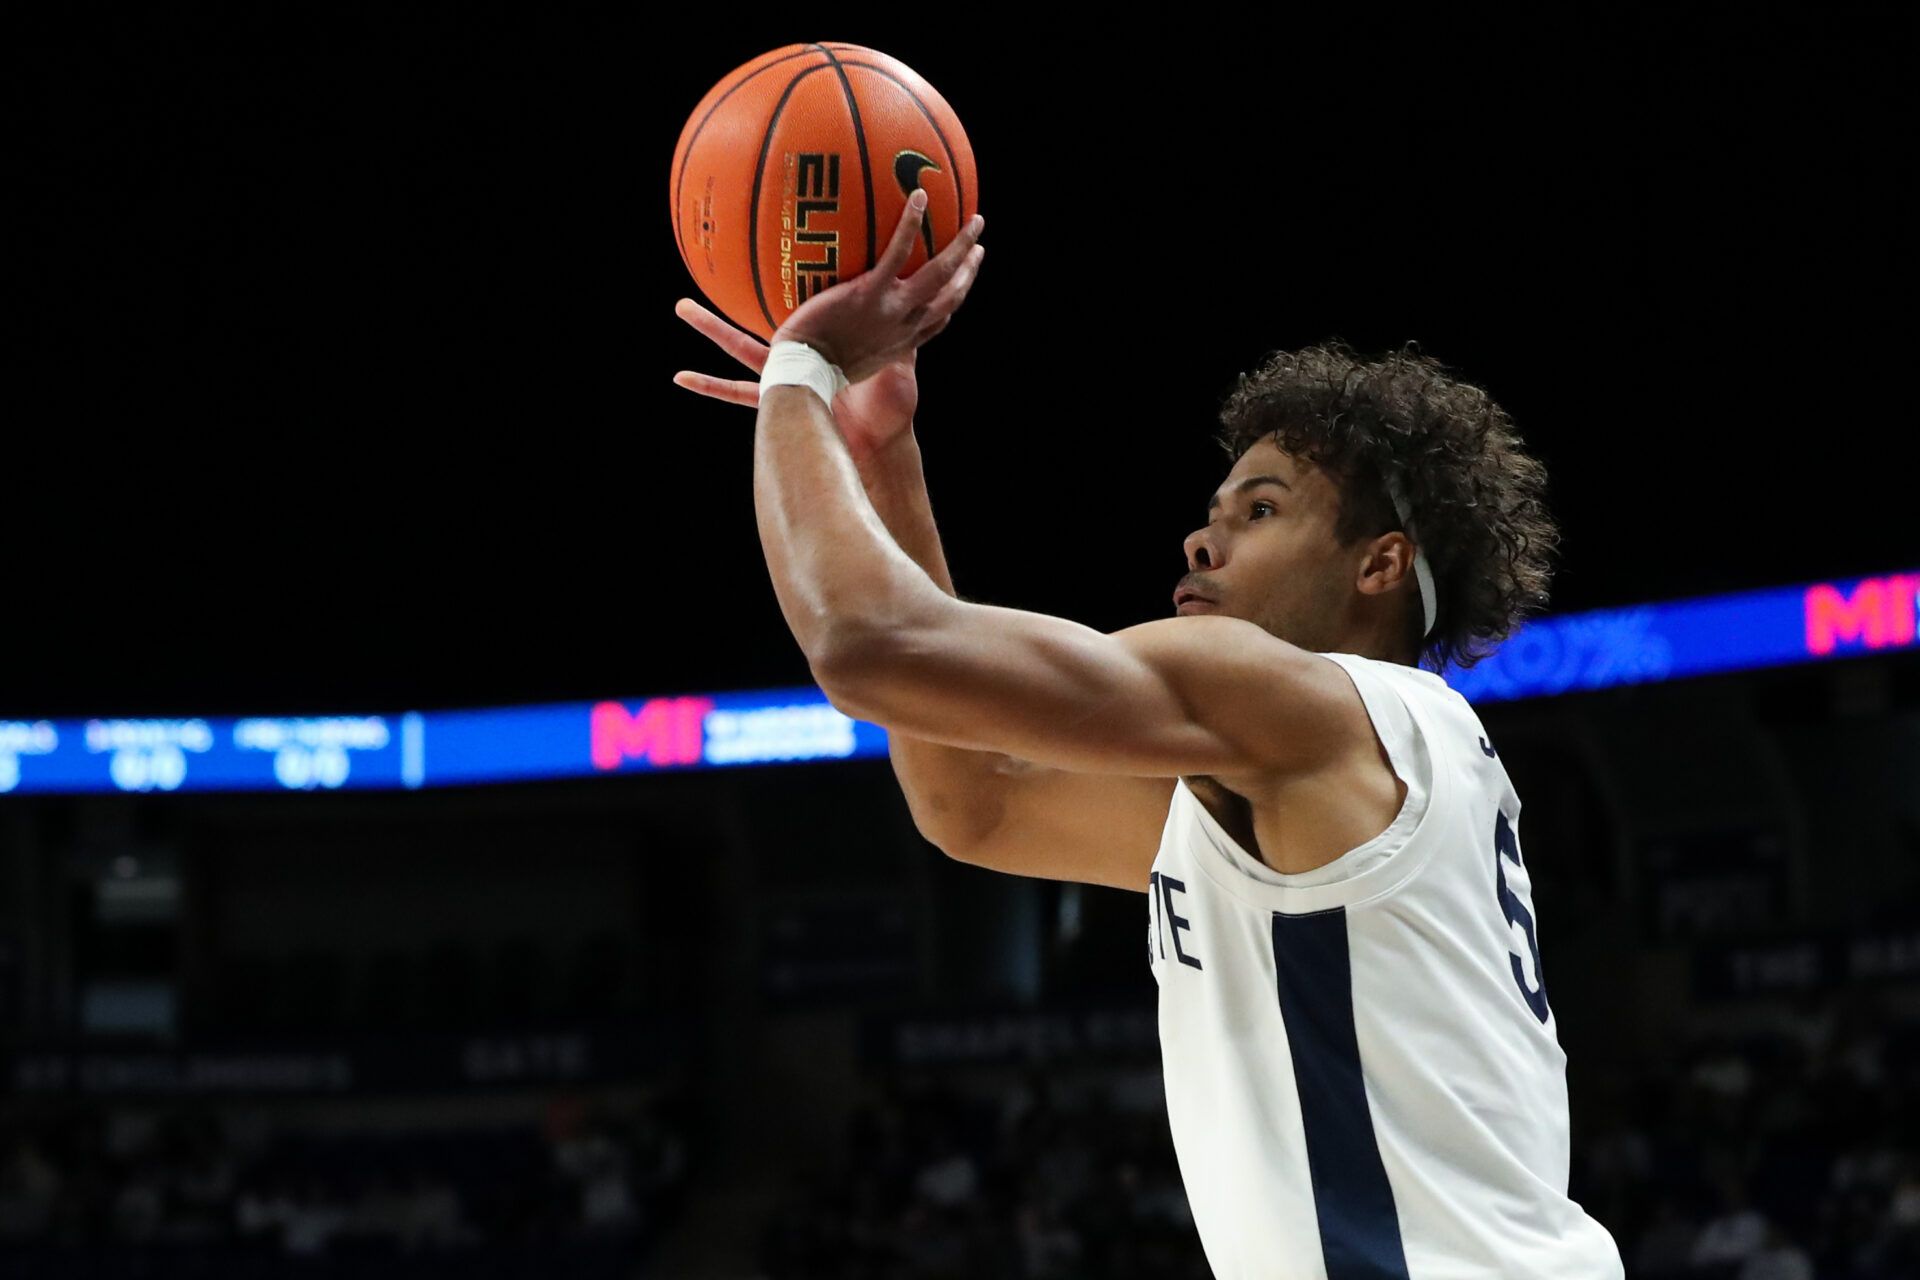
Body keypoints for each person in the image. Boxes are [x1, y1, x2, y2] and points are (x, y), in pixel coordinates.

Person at [670, 194, 1623, 1278]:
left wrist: (801, 374)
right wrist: (882, 451)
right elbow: (974, 799)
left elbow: (867, 644)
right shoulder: (1346, 771)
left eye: (1259, 510)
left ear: (1380, 564)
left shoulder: (1294, 700)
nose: (1202, 535)